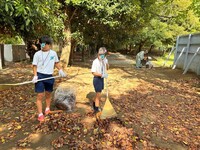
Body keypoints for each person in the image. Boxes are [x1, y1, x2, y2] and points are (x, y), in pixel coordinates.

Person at [32, 35, 67, 122]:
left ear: (49, 44)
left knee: (48, 93)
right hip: (40, 76)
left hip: (49, 76)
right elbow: (34, 66)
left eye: (44, 44)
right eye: (41, 44)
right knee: (40, 95)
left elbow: (56, 63)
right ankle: (40, 114)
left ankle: (47, 109)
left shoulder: (53, 53)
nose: (42, 46)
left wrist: (60, 70)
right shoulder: (37, 54)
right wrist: (35, 75)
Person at [91, 47, 109, 114]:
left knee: (98, 93)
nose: (102, 56)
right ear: (98, 54)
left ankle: (94, 102)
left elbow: (107, 68)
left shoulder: (104, 60)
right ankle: (96, 109)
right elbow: (93, 72)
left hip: (101, 79)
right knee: (98, 95)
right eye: (101, 54)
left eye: (103, 55)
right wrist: (102, 75)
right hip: (97, 79)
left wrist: (106, 63)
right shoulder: (95, 62)